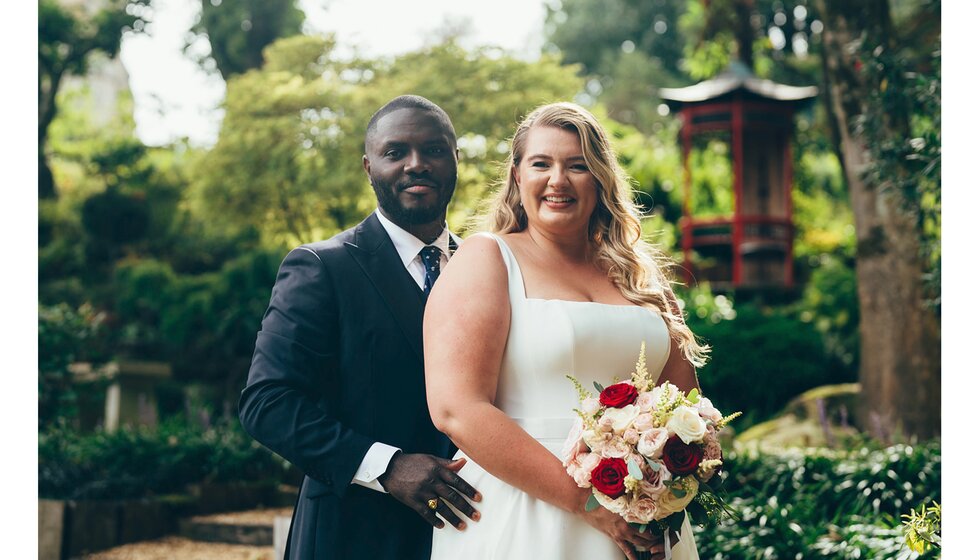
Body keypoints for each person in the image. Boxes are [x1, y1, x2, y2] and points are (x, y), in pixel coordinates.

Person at [424, 102, 707, 560]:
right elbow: (457, 409)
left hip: (643, 519)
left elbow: (684, 403)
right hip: (524, 512)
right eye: (541, 164)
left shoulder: (641, 277)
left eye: (577, 166)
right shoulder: (487, 259)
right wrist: (587, 502)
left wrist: (665, 495)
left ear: (600, 179)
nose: (558, 180)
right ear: (518, 176)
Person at [240, 95, 482, 560]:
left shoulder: (488, 268)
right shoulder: (320, 267)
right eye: (396, 152)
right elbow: (266, 403)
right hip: (353, 534)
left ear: (456, 160)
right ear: (369, 167)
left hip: (478, 530)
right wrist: (386, 466)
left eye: (433, 150)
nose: (417, 164)